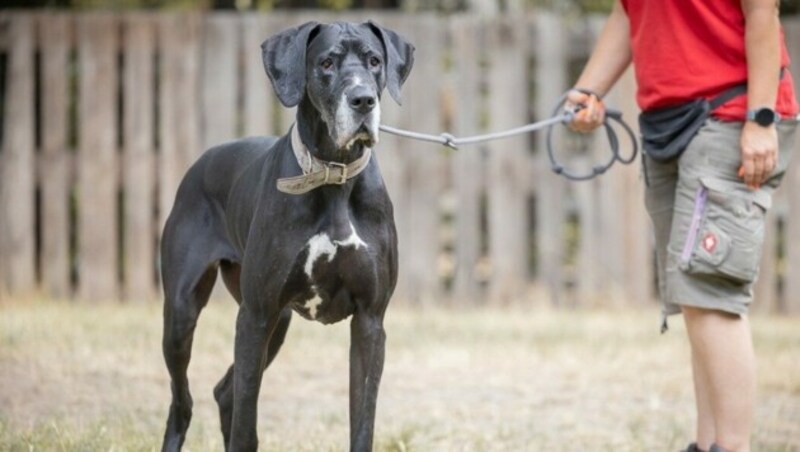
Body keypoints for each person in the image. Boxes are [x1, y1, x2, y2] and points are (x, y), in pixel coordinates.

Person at [566, 1, 799, 451]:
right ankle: (706, 443)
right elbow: (630, 11)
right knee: (692, 296)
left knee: (710, 290)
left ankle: (732, 446)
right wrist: (588, 91)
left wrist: (761, 117)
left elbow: (763, 12)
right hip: (669, 121)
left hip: (734, 113)